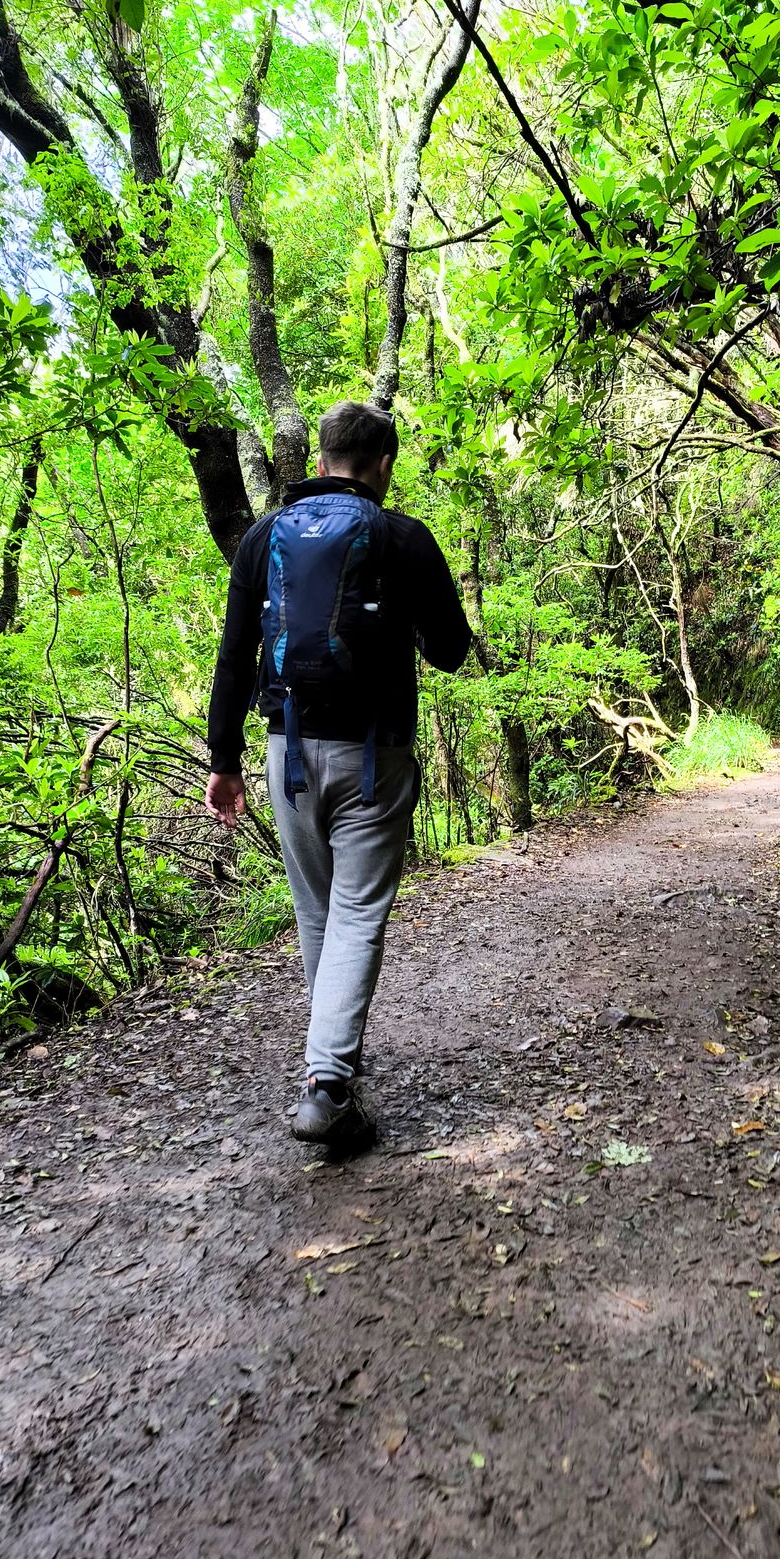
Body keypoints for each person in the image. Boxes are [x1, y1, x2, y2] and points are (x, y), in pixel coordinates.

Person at [204, 401, 471, 1142]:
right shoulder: (402, 537)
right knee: (356, 914)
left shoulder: (264, 537)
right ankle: (327, 1085)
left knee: (319, 912)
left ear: (320, 461)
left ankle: (334, 1064)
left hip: (284, 748)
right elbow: (451, 648)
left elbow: (234, 653)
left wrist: (222, 760)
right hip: (371, 756)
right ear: (382, 464)